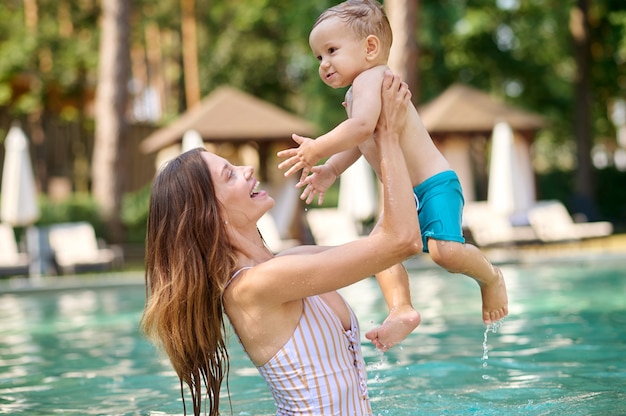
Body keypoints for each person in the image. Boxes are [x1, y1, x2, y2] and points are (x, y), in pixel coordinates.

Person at [140, 72, 421, 416]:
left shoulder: (287, 263)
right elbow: (402, 240)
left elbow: (383, 246)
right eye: (229, 174)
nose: (246, 169)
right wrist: (387, 136)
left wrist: (369, 137)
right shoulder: (255, 288)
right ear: (209, 215)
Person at [277, 0, 508, 334]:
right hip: (401, 193)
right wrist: (332, 169)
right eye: (318, 57)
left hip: (434, 183)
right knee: (381, 251)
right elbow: (362, 140)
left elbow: (358, 129)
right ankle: (401, 309)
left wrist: (317, 147)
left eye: (331, 50)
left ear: (370, 47)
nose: (323, 64)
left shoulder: (372, 79)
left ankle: (490, 275)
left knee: (446, 253)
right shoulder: (358, 93)